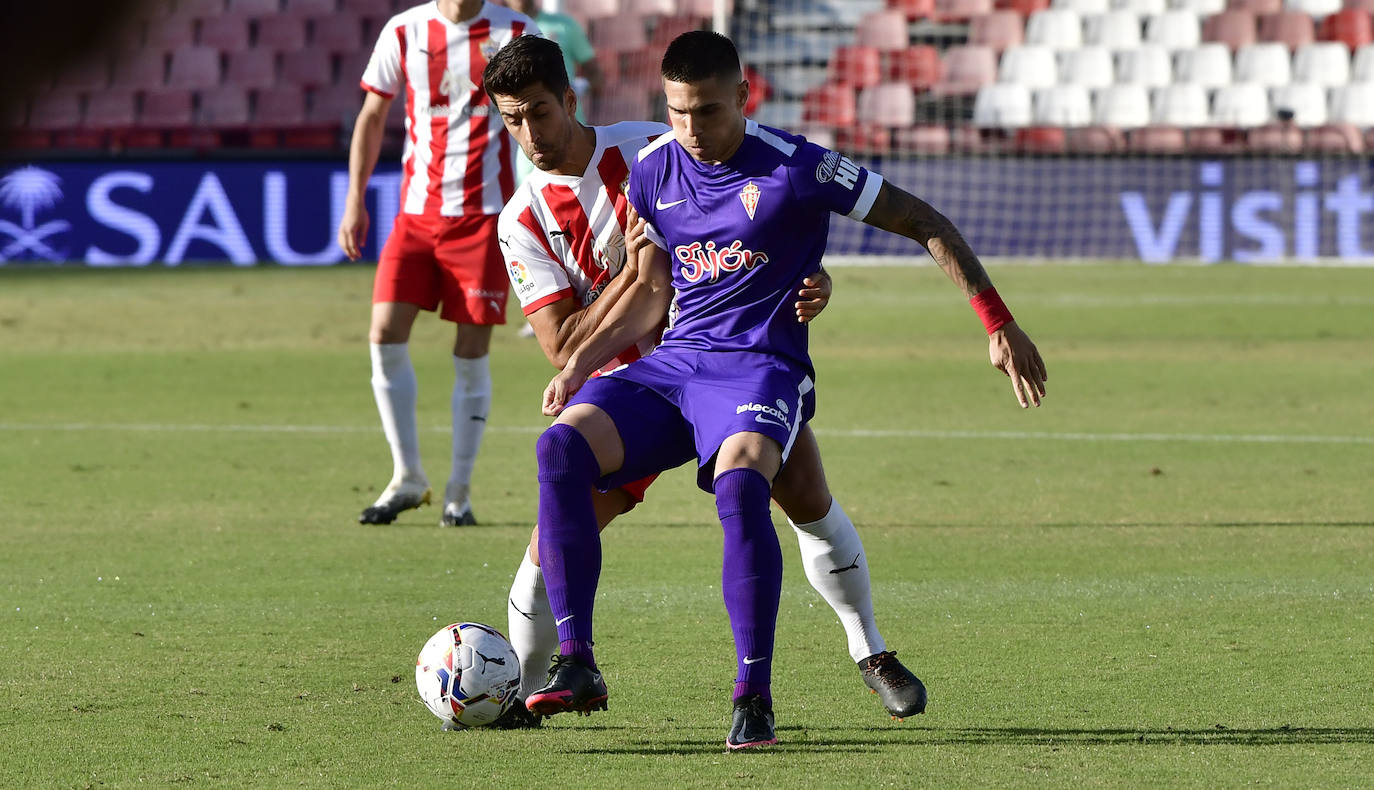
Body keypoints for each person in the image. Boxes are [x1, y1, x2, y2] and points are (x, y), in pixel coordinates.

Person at [530, 31, 1046, 749]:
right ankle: (577, 660)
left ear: (745, 97)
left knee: (751, 489)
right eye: (677, 112)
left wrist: (997, 322)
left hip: (761, 370)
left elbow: (922, 220)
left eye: (707, 112)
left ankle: (755, 696)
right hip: (679, 364)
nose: (691, 129)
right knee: (559, 449)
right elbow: (650, 286)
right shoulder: (652, 171)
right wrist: (580, 362)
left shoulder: (799, 166)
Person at [480, 35, 927, 729]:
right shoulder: (520, 223)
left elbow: (757, 210)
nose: (529, 133)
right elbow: (562, 343)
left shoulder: (660, 143)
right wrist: (633, 281)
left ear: (569, 102)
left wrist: (813, 277)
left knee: (806, 502)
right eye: (512, 120)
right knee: (549, 542)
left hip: (738, 363)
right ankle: (526, 692)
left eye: (539, 112)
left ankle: (869, 651)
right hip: (633, 391)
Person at [337, 0, 539, 527]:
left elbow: (551, 114)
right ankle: (407, 478)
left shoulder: (516, 30)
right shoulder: (404, 30)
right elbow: (373, 114)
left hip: (484, 216)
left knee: (470, 350)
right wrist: (354, 198)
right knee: (384, 333)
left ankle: (459, 491)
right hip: (416, 215)